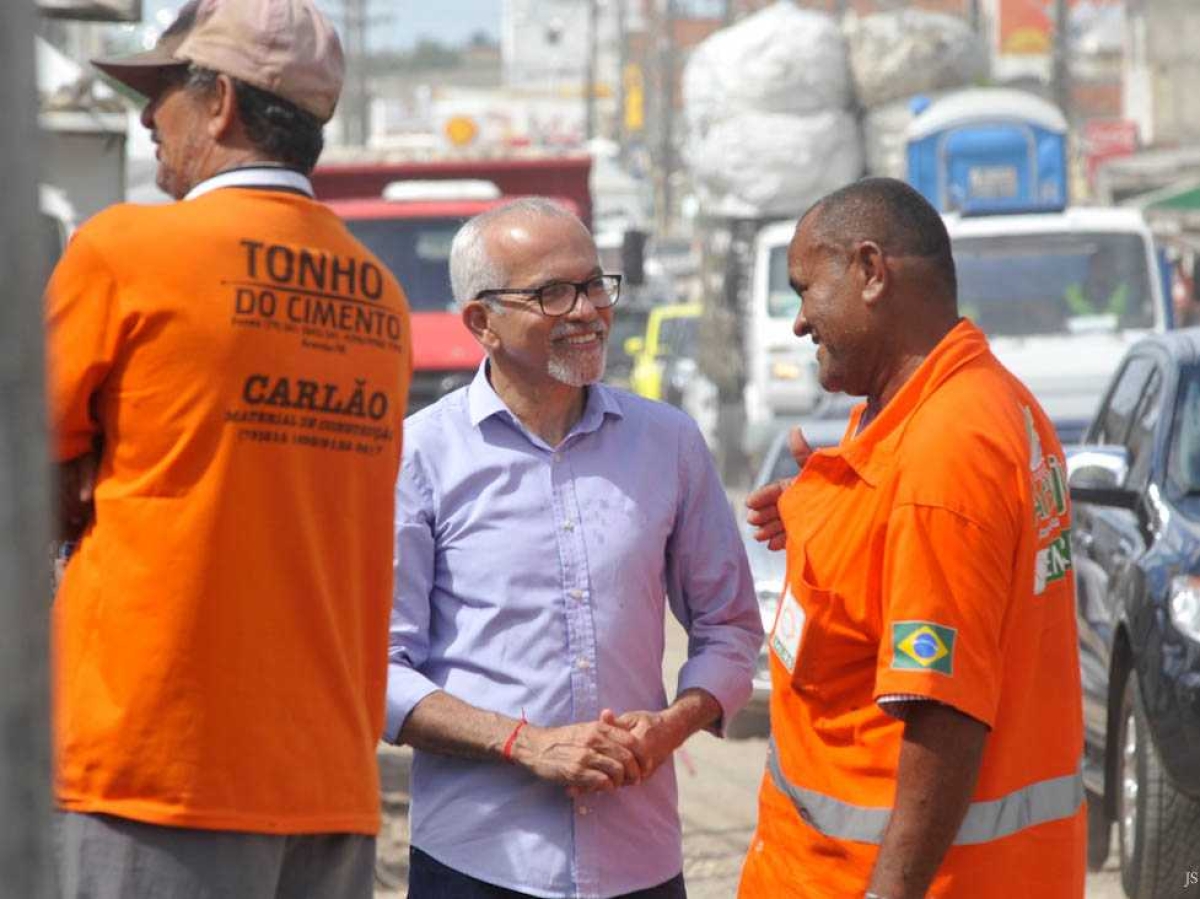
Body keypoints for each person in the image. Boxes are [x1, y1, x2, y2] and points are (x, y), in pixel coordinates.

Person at [44, 1, 412, 896]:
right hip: (328, 779)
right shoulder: (380, 295)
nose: (146, 117)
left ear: (221, 105)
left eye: (164, 90)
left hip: (156, 767)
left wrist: (87, 474)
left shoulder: (125, 249)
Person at [387, 198, 763, 898]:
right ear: (481, 322)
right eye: (553, 293)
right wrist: (525, 743)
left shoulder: (669, 442)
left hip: (639, 860)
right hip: (480, 862)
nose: (588, 311)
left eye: (594, 285)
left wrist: (673, 724)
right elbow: (378, 669)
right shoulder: (420, 457)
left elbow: (731, 626)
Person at [737, 178, 1085, 898]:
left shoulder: (945, 450)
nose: (799, 323)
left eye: (806, 289)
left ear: (870, 271)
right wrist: (819, 509)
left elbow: (943, 710)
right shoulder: (951, 406)